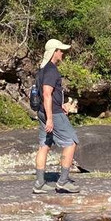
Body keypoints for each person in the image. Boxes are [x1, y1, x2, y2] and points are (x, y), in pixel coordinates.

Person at [33, 38, 81, 195]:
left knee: (44, 145)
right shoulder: (51, 70)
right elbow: (47, 94)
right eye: (60, 50)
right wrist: (51, 118)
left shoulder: (42, 70)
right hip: (51, 113)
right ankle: (63, 181)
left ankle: (39, 183)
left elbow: (47, 94)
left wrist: (59, 105)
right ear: (54, 52)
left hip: (43, 110)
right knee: (71, 142)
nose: (62, 53)